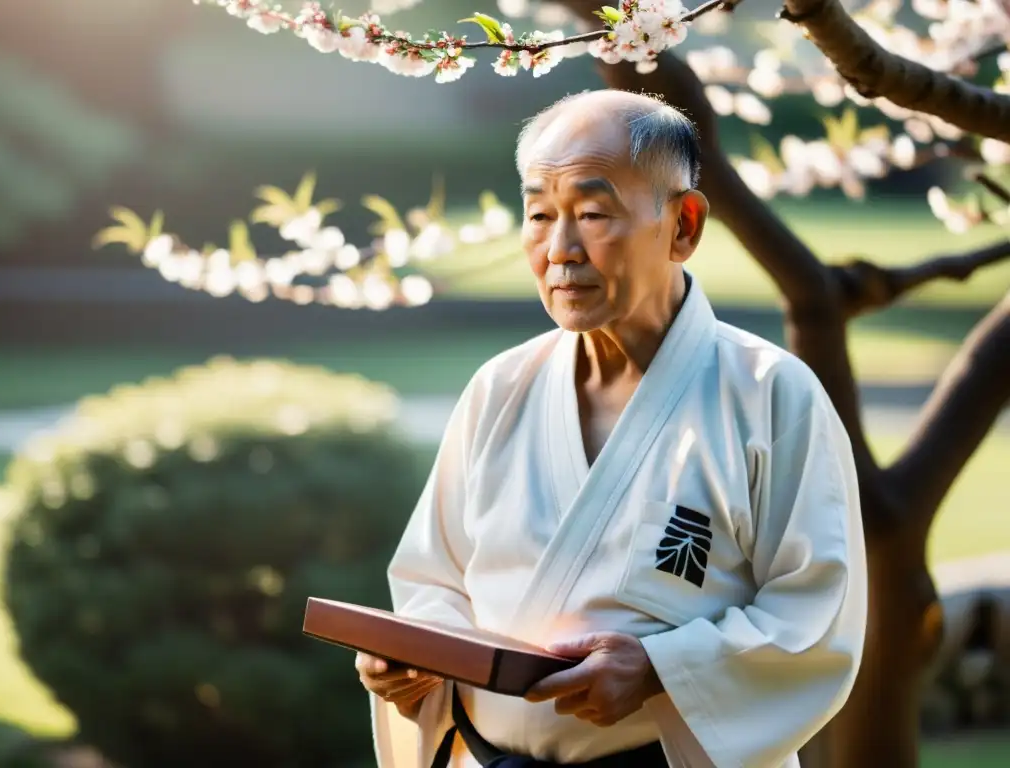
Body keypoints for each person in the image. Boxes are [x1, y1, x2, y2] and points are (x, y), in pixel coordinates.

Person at [356, 88, 868, 768]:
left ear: (683, 224)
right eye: (540, 214)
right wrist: (414, 654)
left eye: (594, 214)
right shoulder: (499, 389)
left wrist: (658, 667)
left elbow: (816, 614)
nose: (561, 249)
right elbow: (434, 580)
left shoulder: (769, 395)